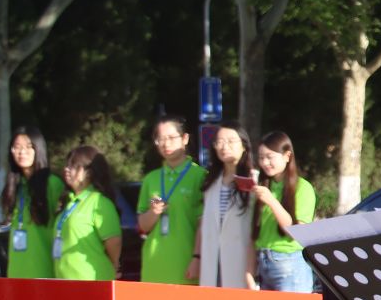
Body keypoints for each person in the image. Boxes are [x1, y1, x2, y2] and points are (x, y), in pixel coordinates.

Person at [136, 116, 203, 285]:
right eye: (160, 139)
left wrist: (197, 257)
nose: (166, 144)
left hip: (186, 263)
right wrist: (153, 212)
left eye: (172, 138)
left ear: (185, 139)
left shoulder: (200, 176)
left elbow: (204, 224)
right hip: (154, 264)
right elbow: (142, 226)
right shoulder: (151, 179)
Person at [251, 130, 317, 292]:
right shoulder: (265, 186)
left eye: (270, 157)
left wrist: (271, 201)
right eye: (261, 157)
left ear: (287, 156)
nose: (265, 163)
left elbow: (298, 232)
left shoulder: (302, 188)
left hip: (289, 262)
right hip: (263, 262)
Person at [192, 125, 257, 289]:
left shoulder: (254, 179)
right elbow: (204, 223)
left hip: (241, 260)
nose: (224, 146)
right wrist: (196, 256)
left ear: (244, 145)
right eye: (219, 142)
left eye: (230, 141)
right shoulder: (211, 181)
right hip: (212, 259)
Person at [0, 127, 64, 279]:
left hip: (45, 273)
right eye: (17, 147)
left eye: (29, 147)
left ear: (38, 149)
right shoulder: (15, 186)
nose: (22, 152)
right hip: (16, 274)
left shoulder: (52, 184)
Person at [51, 146, 123, 281]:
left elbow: (113, 241)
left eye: (73, 166)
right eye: (67, 165)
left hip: (91, 281)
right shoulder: (68, 203)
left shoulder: (99, 202)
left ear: (88, 172)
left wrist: (114, 265)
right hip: (65, 282)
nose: (67, 169)